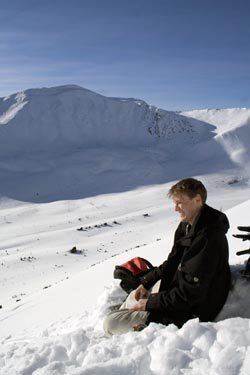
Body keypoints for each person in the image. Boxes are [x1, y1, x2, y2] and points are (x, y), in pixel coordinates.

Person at [103, 178, 231, 335]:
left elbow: (190, 294)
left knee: (110, 325)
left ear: (197, 200)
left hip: (192, 311)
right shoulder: (188, 226)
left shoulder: (208, 237)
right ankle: (128, 312)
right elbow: (172, 262)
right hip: (178, 290)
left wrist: (150, 303)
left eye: (180, 203)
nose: (176, 209)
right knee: (135, 294)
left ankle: (127, 317)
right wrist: (145, 282)